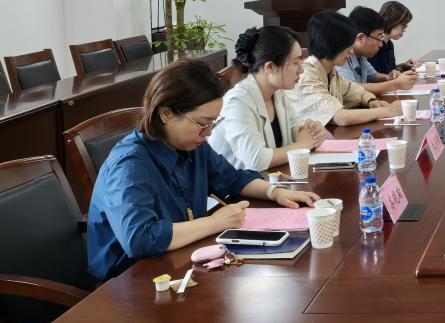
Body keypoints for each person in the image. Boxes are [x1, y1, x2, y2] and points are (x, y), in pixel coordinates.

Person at [86, 60, 321, 281]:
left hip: (180, 260)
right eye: (202, 123)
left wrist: (276, 193)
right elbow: (140, 239)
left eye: (213, 124)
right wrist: (215, 223)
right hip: (129, 280)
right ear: (166, 114)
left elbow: (232, 179)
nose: (208, 133)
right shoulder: (129, 165)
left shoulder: (191, 145)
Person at [209, 26, 329, 171]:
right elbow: (256, 160)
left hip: (270, 178)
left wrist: (310, 131)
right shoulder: (237, 102)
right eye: (296, 62)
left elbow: (297, 128)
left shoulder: (277, 93)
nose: (301, 69)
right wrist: (302, 146)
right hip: (234, 184)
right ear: (270, 67)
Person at [288, 11, 403, 126]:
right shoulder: (306, 76)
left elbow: (360, 92)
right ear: (330, 44)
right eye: (347, 45)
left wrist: (372, 101)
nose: (351, 51)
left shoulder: (331, 72)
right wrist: (387, 111)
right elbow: (341, 117)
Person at [337, 6, 418, 94]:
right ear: (361, 38)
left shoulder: (361, 55)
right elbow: (352, 89)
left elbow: (372, 76)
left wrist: (388, 77)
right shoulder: (342, 55)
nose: (381, 44)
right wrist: (395, 84)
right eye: (379, 38)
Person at [370, 0, 416, 75]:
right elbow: (374, 76)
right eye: (403, 25)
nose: (404, 30)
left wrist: (403, 66)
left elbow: (389, 71)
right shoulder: (374, 46)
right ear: (392, 21)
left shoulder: (389, 44)